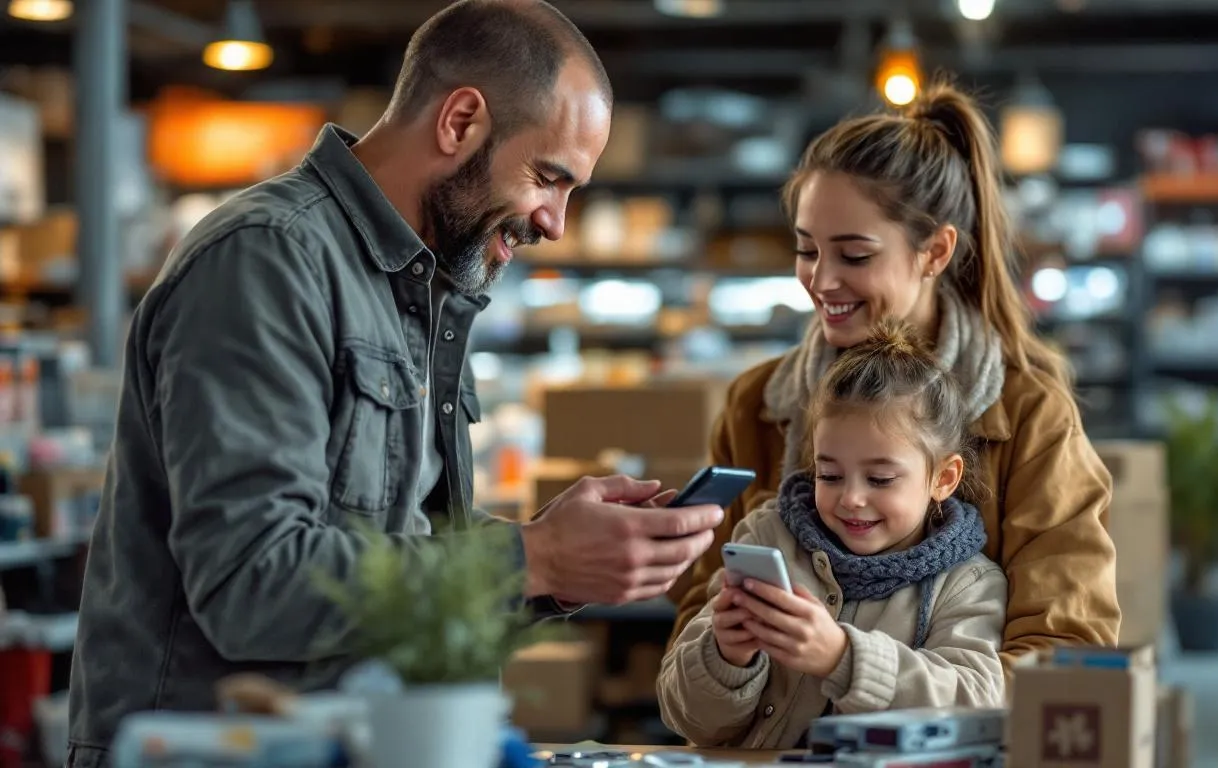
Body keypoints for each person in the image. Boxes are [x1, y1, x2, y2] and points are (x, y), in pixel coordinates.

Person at [65, 2, 723, 765]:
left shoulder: (420, 287)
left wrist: (558, 566)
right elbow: (254, 579)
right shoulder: (268, 261)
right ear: (461, 122)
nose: (556, 223)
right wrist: (534, 557)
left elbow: (390, 554)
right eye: (549, 178)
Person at [667, 82, 1120, 673]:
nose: (821, 281)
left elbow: (1066, 653)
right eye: (807, 251)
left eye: (854, 256)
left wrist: (867, 682)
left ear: (935, 252)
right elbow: (698, 622)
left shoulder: (1028, 413)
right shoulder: (756, 404)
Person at [658, 320, 1007, 749]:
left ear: (944, 478)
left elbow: (978, 707)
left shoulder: (967, 584)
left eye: (880, 479)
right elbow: (683, 717)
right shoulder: (768, 538)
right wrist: (726, 657)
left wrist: (842, 658)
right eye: (830, 474)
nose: (851, 499)